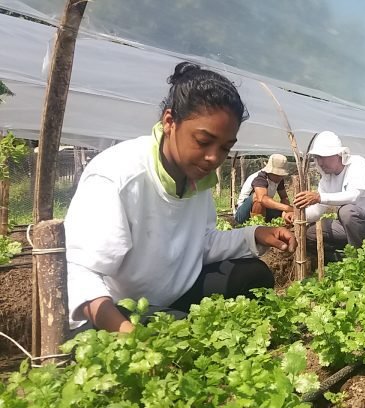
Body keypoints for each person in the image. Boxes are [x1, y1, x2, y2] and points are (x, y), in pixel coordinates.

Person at [65, 62, 297, 334]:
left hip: (180, 291)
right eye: (202, 141)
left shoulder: (196, 176)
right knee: (179, 334)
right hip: (126, 307)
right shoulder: (119, 175)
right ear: (169, 122)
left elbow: (201, 242)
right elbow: (81, 273)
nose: (213, 158)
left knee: (254, 276)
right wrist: (125, 331)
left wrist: (255, 234)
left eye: (225, 148)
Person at [293, 131, 365, 260]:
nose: (320, 163)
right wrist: (296, 215)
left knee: (347, 211)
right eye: (317, 158)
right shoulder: (326, 180)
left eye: (324, 157)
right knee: (310, 233)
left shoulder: (357, 164)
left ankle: (361, 259)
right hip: (349, 227)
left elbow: (354, 196)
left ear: (338, 154)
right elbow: (317, 212)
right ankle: (345, 259)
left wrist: (319, 197)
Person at [234, 154, 293, 224]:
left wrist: (288, 212)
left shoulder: (279, 180)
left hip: (264, 211)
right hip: (243, 214)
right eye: (277, 175)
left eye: (281, 175)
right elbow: (262, 199)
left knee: (284, 214)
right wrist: (287, 208)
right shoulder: (260, 178)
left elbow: (284, 197)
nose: (279, 177)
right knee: (258, 198)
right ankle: (257, 225)